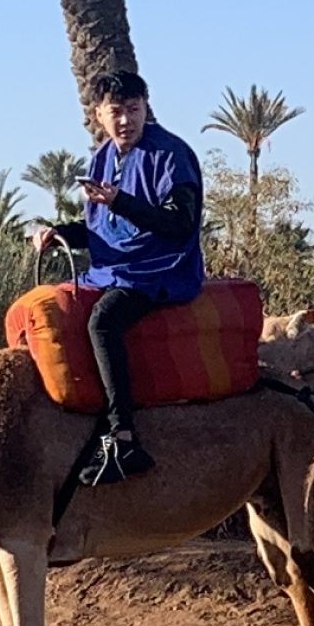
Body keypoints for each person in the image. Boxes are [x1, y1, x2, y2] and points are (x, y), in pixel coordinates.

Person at [30, 69, 205, 486]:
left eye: (134, 109)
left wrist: (120, 201)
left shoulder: (171, 155)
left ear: (146, 107)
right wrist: (59, 234)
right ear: (98, 114)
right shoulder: (102, 157)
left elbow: (180, 224)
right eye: (117, 112)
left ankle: (123, 437)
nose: (126, 119)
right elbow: (101, 227)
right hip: (109, 269)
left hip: (157, 271)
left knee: (103, 321)